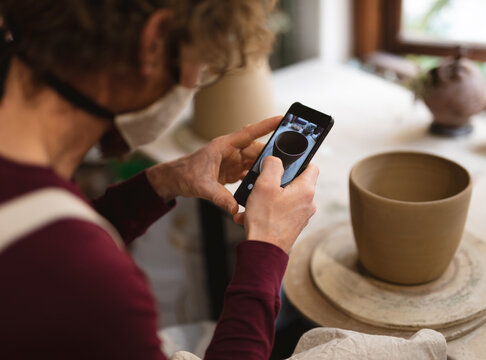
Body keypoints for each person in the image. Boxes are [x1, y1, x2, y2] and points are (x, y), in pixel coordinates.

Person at [0, 1, 318, 359]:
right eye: (202, 68)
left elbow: (34, 239)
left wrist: (163, 182)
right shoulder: (95, 283)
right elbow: (60, 259)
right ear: (154, 42)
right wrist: (267, 249)